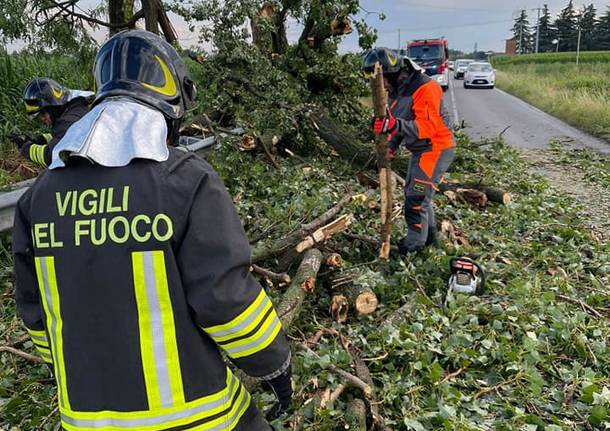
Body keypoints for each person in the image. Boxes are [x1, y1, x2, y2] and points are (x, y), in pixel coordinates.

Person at [13, 29, 291, 431]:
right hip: (195, 416)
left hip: (85, 419)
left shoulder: (36, 199)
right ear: (171, 106)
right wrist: (273, 365)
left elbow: (37, 317)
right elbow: (227, 302)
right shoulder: (185, 181)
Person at [363, 47, 456, 256]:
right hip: (420, 150)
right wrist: (391, 145)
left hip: (436, 147)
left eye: (382, 79)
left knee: (416, 199)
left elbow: (427, 128)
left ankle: (413, 248)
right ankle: (430, 238)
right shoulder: (398, 91)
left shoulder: (425, 87)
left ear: (392, 72)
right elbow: (400, 123)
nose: (381, 86)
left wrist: (394, 125)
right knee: (417, 194)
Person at [9, 78, 92, 168]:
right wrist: (40, 139)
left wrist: (25, 147)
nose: (42, 119)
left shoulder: (66, 122)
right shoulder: (77, 109)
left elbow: (51, 156)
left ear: (52, 107)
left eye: (42, 113)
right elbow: (64, 137)